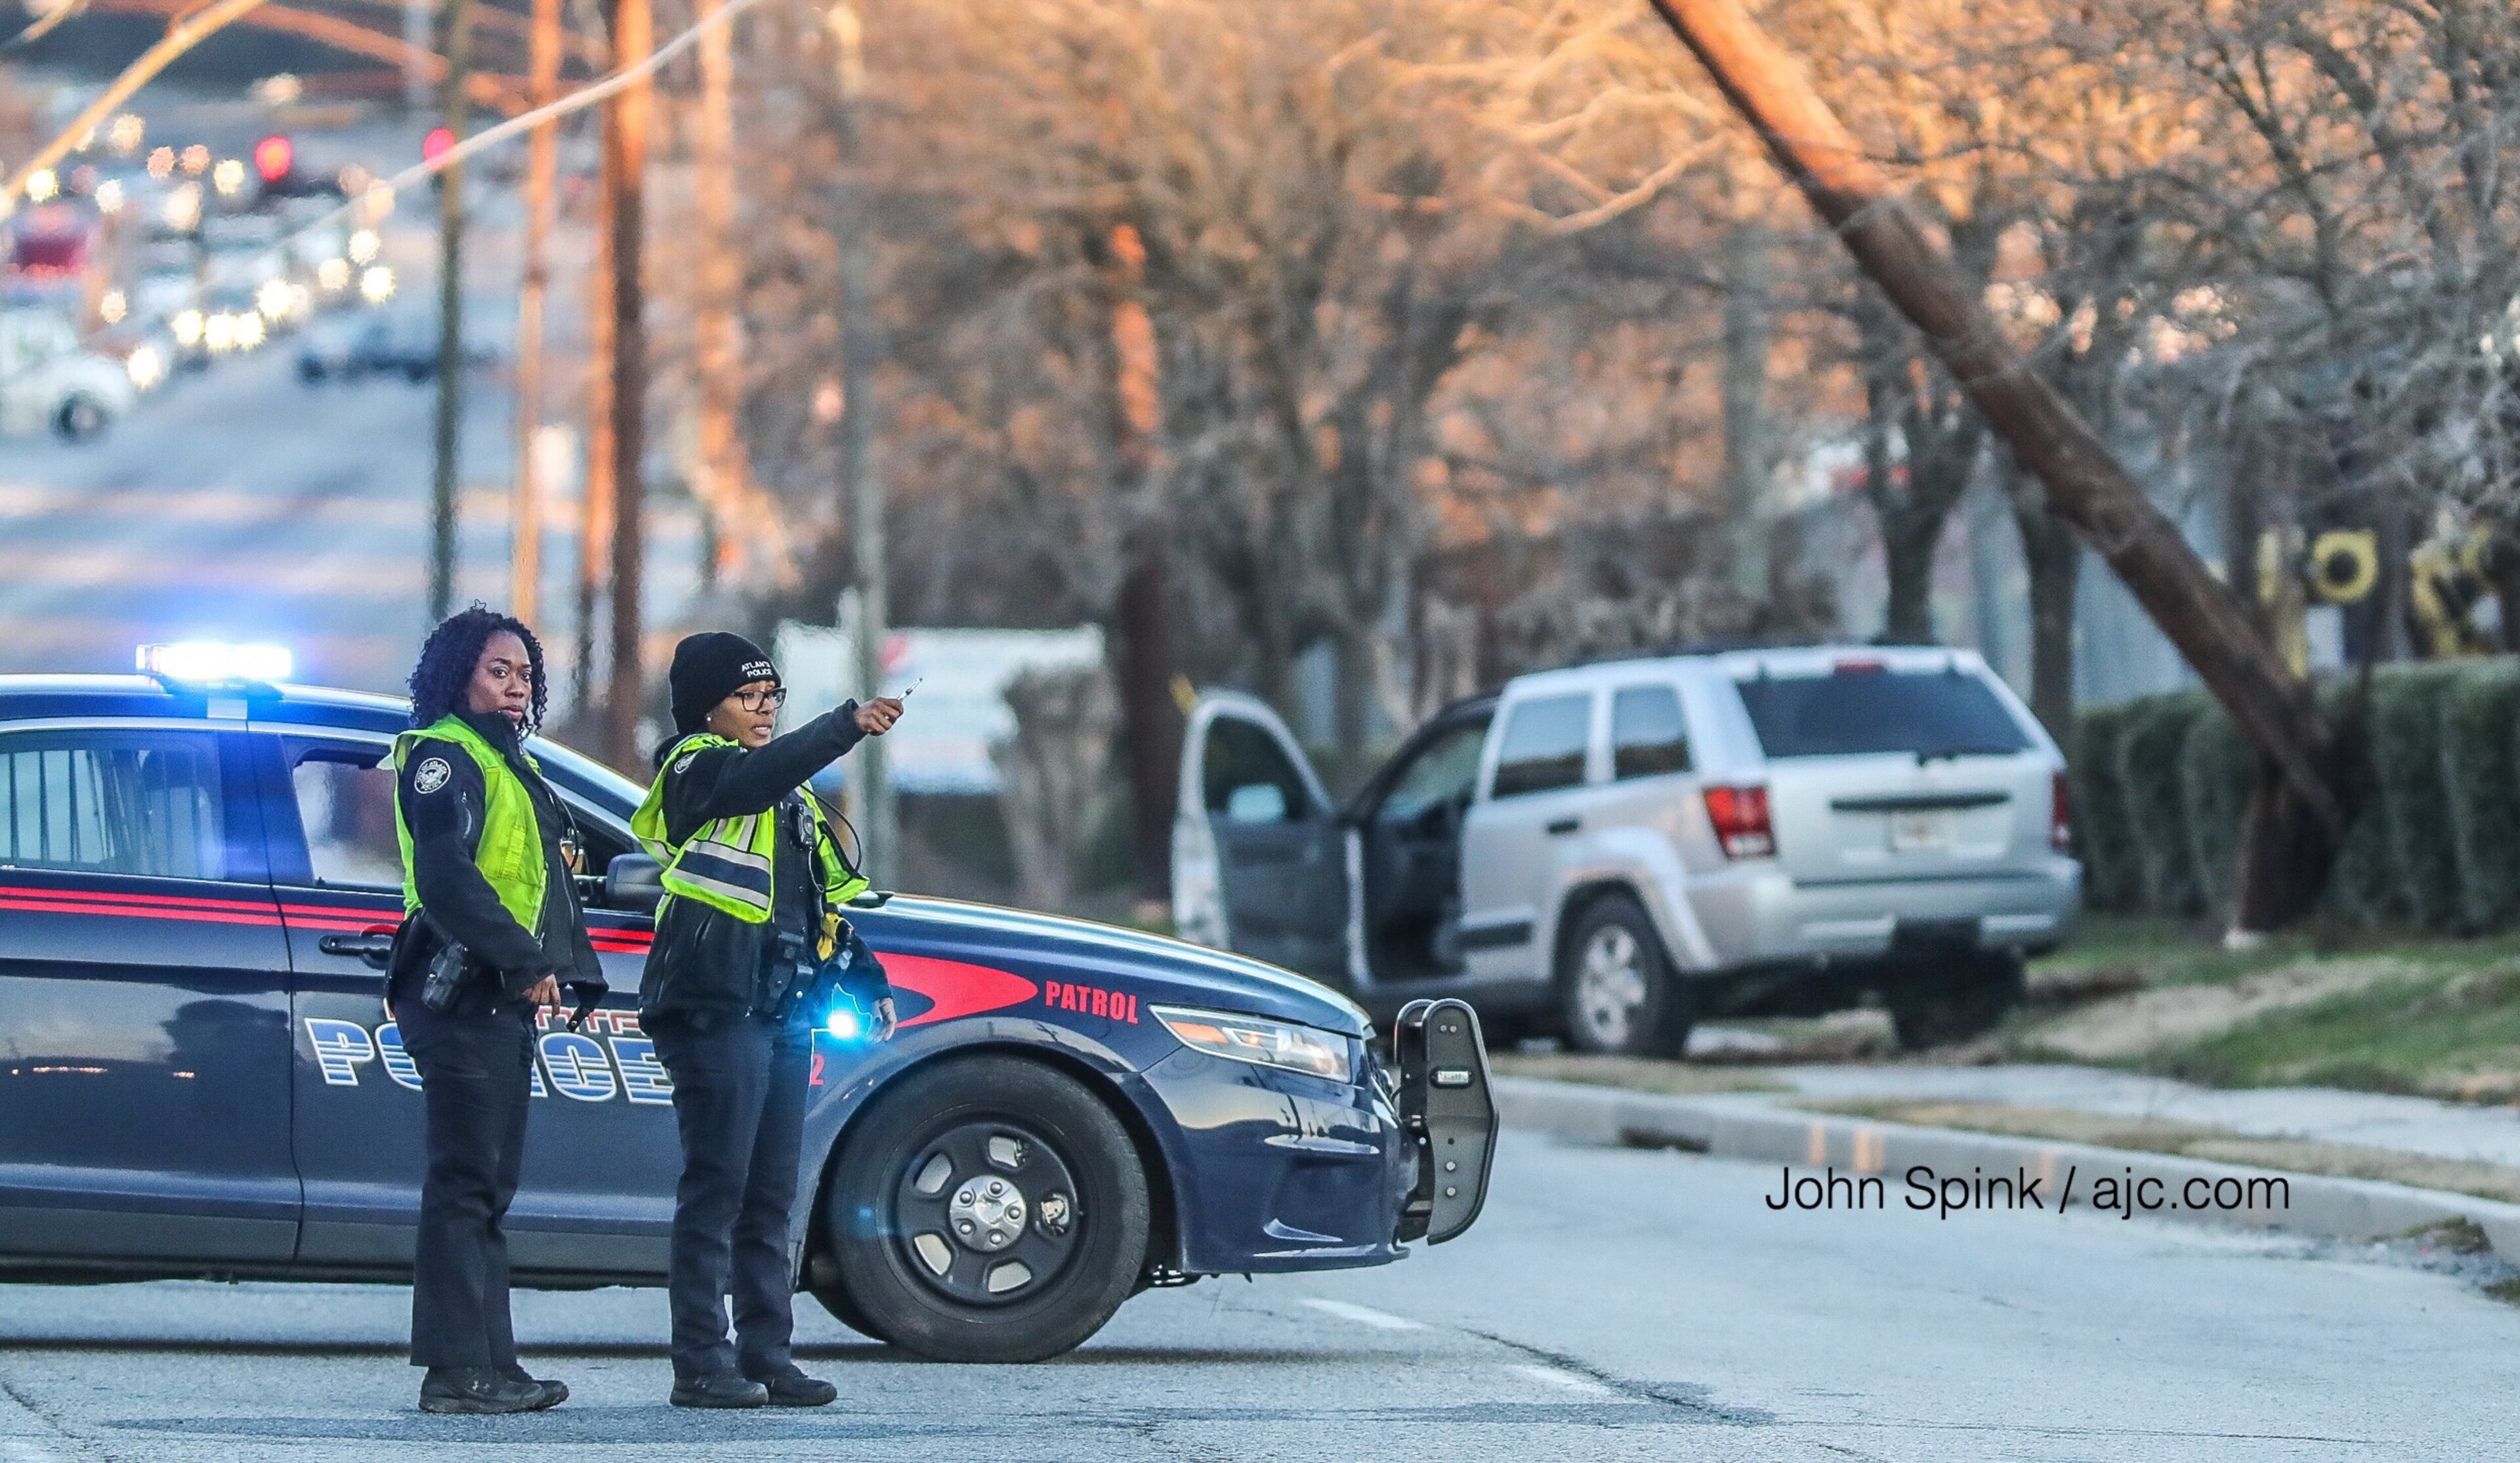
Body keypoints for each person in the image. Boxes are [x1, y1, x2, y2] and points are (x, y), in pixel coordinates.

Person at [632, 632, 904, 1409]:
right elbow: (751, 781)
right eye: (748, 698)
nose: (763, 710)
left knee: (771, 1193)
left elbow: (818, 906)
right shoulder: (693, 765)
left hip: (782, 1008)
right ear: (707, 708)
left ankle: (766, 1352)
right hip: (714, 1004)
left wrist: (867, 978)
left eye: (771, 697)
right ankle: (700, 1362)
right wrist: (842, 725)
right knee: (717, 1185)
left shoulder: (789, 797)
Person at [390, 605, 606, 1415]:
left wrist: (562, 968)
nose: (516, 687)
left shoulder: (507, 763)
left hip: (499, 997)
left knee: (488, 1187)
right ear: (459, 675)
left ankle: (493, 1364)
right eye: (497, 671)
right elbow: (447, 879)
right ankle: (454, 1373)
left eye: (524, 674)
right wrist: (522, 960)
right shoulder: (442, 759)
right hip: (458, 992)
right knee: (464, 1184)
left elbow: (541, 881)